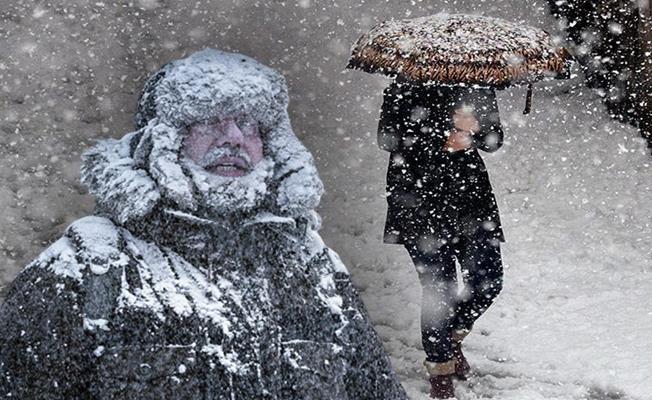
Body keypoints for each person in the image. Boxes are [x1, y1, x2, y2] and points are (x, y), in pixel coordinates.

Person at [0, 49, 408, 400]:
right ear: (163, 139)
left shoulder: (315, 268)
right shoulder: (89, 267)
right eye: (209, 120)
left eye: (249, 123)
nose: (232, 137)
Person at [377, 79, 505, 399]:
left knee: (488, 278)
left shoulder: (476, 84)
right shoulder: (403, 87)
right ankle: (441, 371)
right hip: (418, 201)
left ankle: (448, 338)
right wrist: (444, 132)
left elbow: (494, 139)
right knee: (440, 290)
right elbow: (388, 138)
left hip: (470, 201)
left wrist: (474, 133)